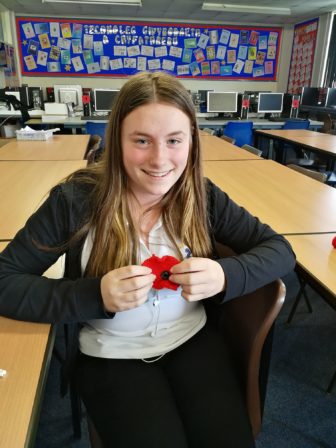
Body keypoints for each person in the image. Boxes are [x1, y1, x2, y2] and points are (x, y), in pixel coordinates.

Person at [0, 72, 295, 448]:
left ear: (192, 142)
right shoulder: (75, 200)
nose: (159, 160)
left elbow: (280, 250)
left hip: (192, 341)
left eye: (174, 140)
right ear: (117, 140)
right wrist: (95, 296)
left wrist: (225, 274)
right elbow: (5, 279)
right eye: (141, 141)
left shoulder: (200, 196)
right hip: (110, 355)